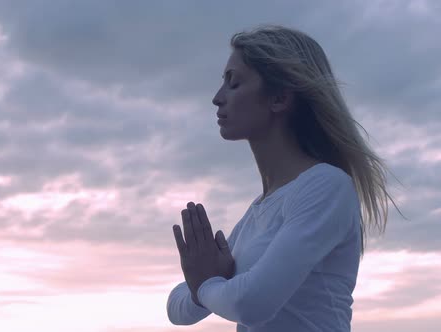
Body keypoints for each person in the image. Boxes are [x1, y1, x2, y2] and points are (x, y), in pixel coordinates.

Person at [166, 24, 407, 332]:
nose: (217, 97)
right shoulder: (259, 209)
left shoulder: (326, 186)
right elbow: (176, 309)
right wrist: (208, 286)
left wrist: (206, 284)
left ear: (279, 98)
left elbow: (252, 303)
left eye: (234, 83)